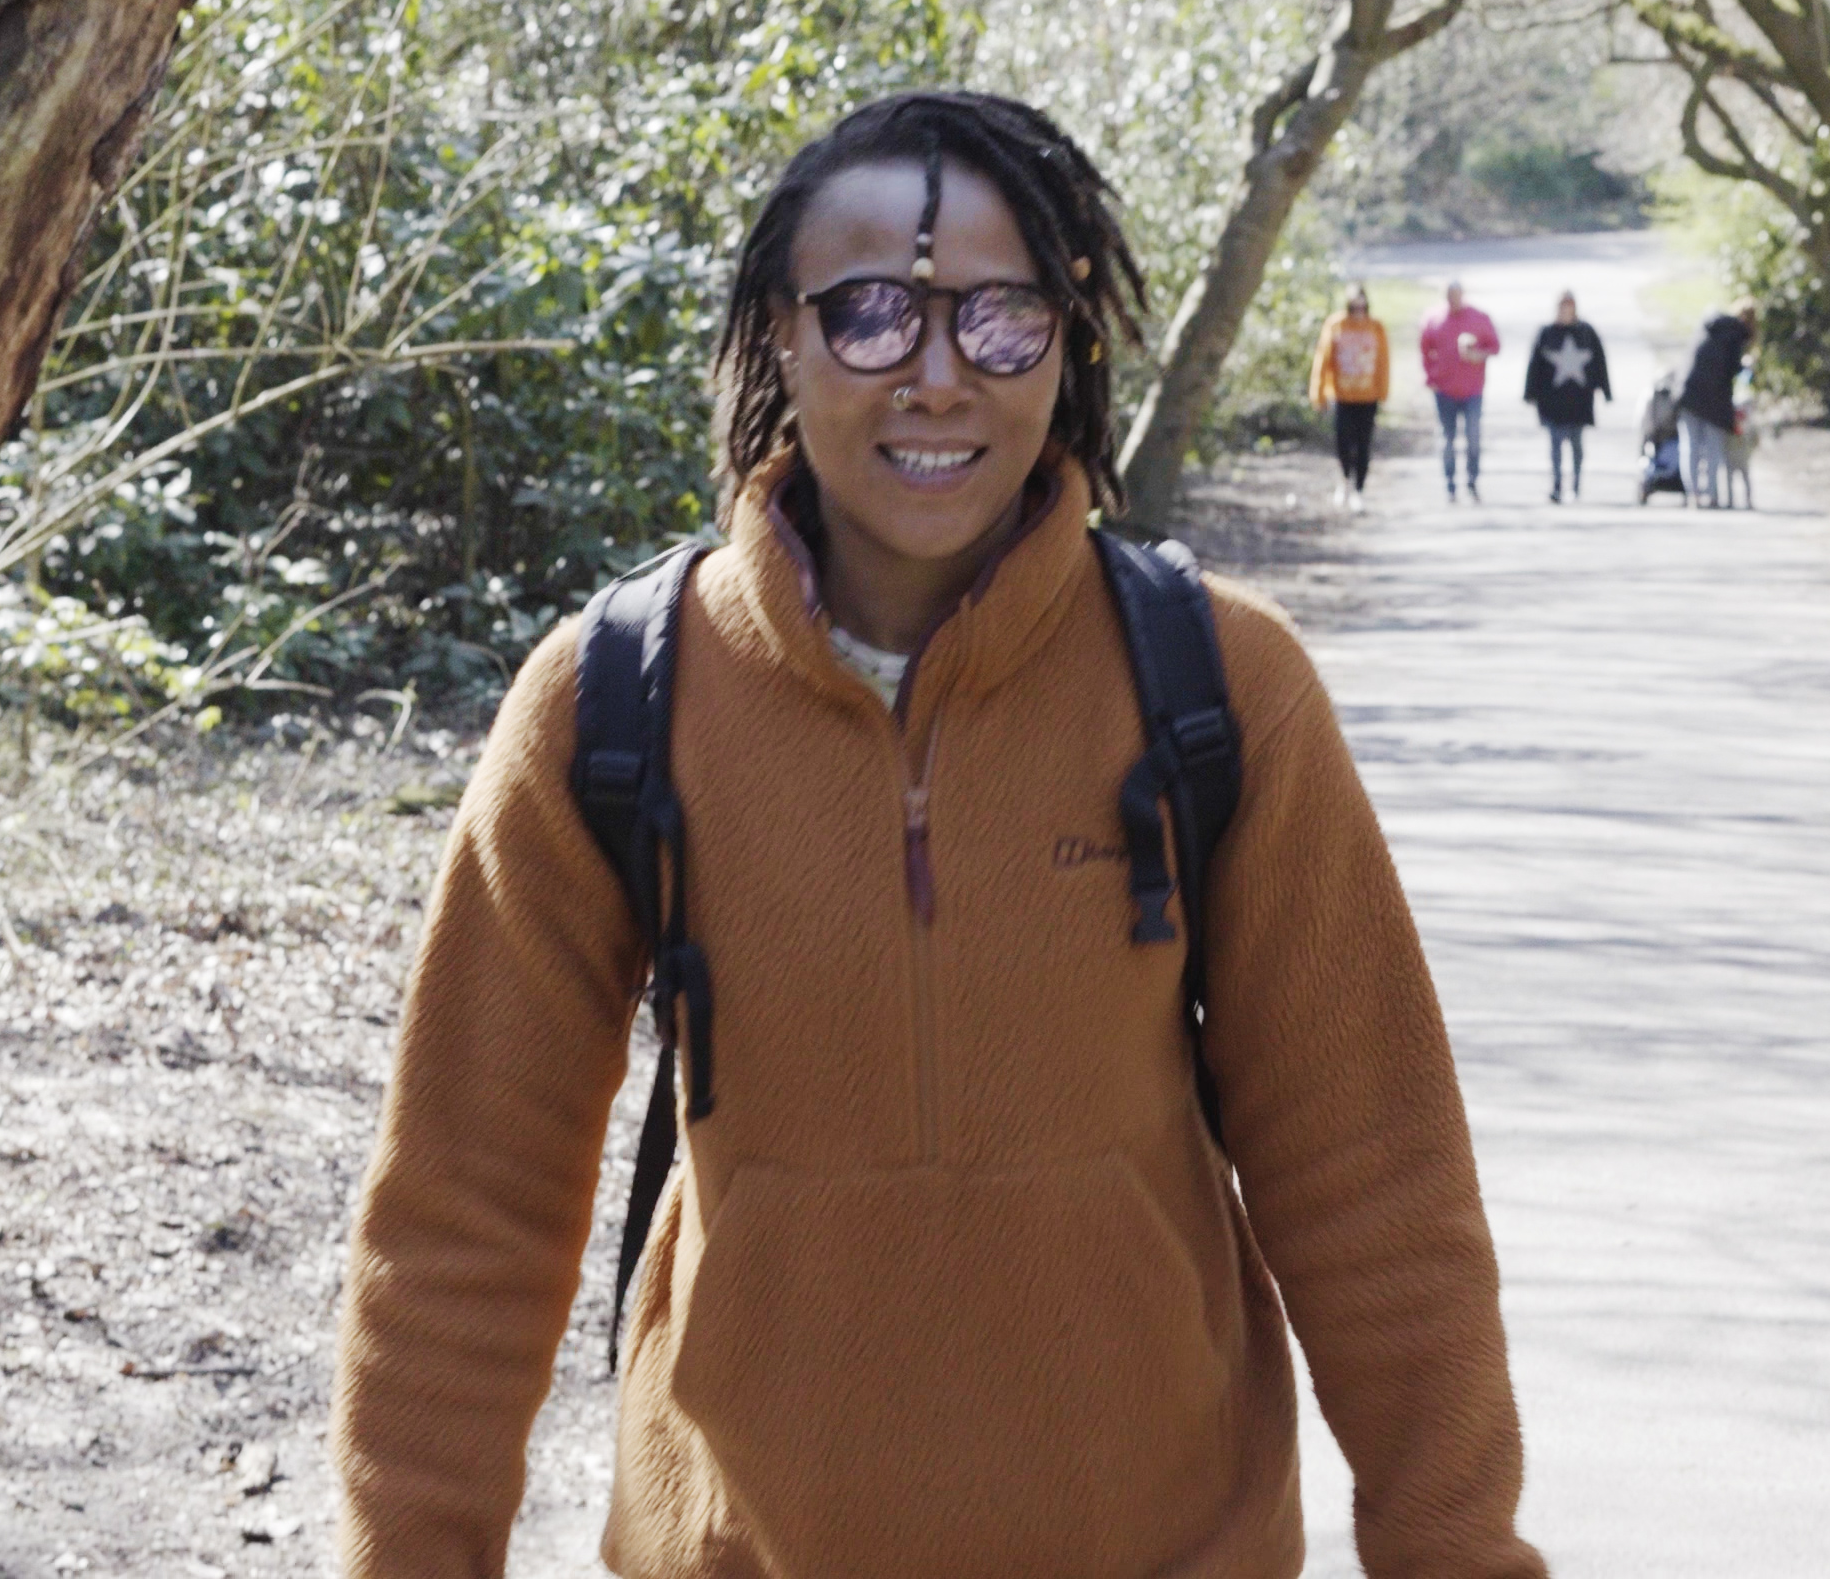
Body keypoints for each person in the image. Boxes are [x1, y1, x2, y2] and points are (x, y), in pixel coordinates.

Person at [334, 91, 1544, 1579]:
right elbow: (465, 1209)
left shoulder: (1222, 692)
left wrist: (1460, 1551)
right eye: (868, 317)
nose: (936, 377)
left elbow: (1376, 1183)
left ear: (1071, 340)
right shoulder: (612, 705)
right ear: (779, 336)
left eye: (1000, 321)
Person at [1518, 290, 1613, 503]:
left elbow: (1599, 362)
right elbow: (1535, 365)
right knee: (1555, 446)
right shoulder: (1546, 333)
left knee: (1577, 446)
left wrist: (1606, 391)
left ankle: (1576, 484)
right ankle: (1557, 485)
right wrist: (1529, 393)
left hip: (1579, 402)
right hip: (1552, 402)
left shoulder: (1586, 332)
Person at [1308, 282, 1393, 511]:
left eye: (1361, 306)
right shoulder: (1336, 325)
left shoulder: (1376, 327)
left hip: (1368, 397)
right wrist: (1317, 393)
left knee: (1364, 444)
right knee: (1343, 442)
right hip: (1342, 395)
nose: (1358, 311)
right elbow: (1322, 359)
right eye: (1353, 307)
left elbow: (1383, 362)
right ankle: (1344, 479)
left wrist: (1383, 391)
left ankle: (1359, 489)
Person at [1419, 277, 1501, 502]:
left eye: (1456, 295)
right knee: (1447, 439)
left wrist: (1479, 355)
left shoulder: (1479, 318)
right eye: (1449, 296)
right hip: (1444, 390)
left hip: (1473, 389)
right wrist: (1430, 377)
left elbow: (1495, 346)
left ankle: (1472, 481)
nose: (1453, 300)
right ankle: (1450, 484)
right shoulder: (1433, 319)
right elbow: (1424, 350)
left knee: (1473, 437)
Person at [1674, 301, 1757, 510]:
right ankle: (1710, 495)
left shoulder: (1707, 324)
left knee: (1690, 446)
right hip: (1714, 398)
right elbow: (1734, 370)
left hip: (1687, 391)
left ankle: (1693, 494)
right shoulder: (1736, 335)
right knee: (1713, 447)